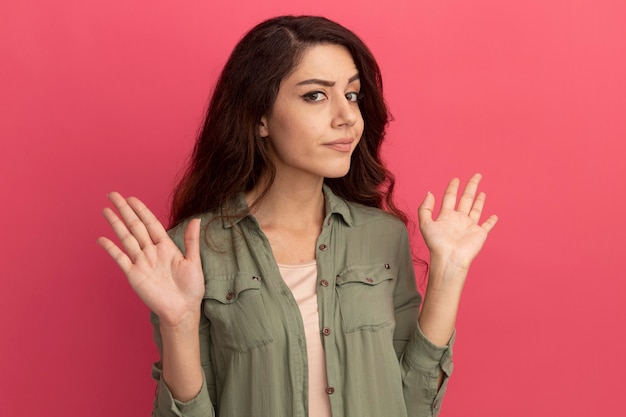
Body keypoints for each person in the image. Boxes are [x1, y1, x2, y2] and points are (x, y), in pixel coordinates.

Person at [97, 15, 497, 417]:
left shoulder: (383, 236)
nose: (347, 117)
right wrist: (178, 323)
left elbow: (412, 403)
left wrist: (449, 272)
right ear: (260, 118)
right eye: (315, 96)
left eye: (352, 94)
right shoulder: (192, 250)